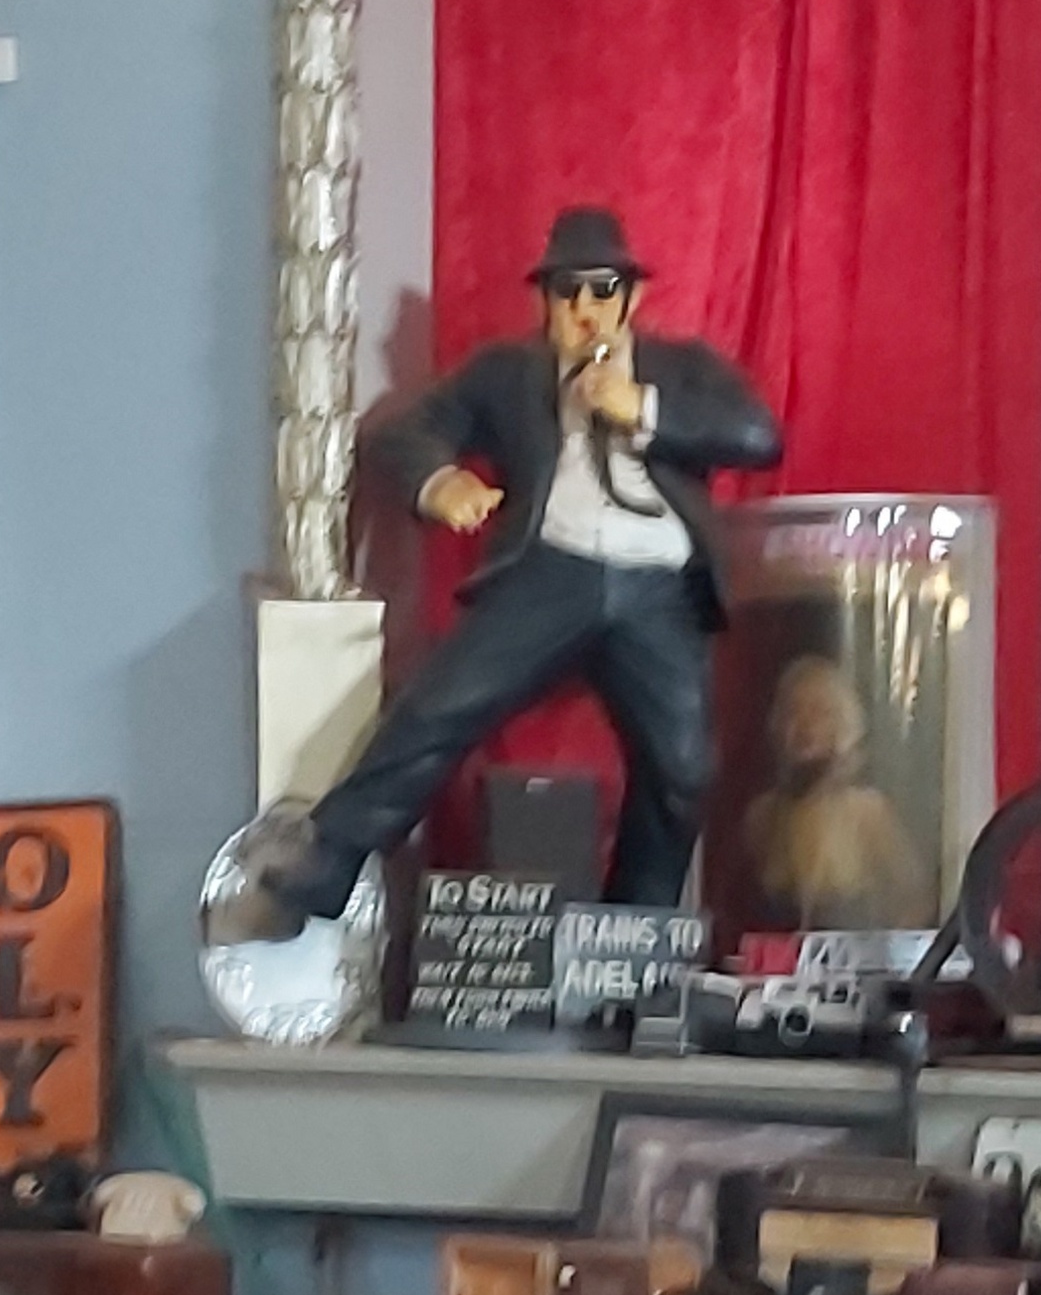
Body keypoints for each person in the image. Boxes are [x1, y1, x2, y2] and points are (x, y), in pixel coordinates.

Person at [214, 206, 782, 938]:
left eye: (603, 290)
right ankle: (331, 855)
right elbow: (408, 431)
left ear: (633, 297)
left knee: (683, 767)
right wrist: (439, 481)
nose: (584, 308)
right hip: (550, 570)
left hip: (656, 585)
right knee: (442, 702)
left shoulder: (681, 369)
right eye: (566, 291)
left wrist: (642, 407)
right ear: (543, 300)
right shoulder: (508, 374)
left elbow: (757, 435)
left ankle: (632, 933)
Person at [737, 653, 931, 931]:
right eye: (793, 711)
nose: (805, 724)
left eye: (820, 712)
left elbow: (917, 901)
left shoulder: (867, 813)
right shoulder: (763, 818)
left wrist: (882, 948)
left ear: (844, 724)